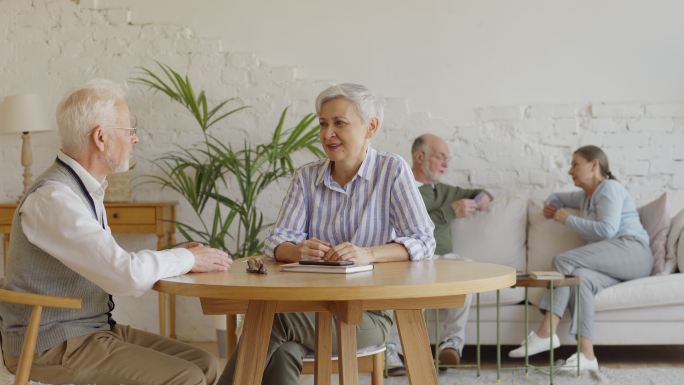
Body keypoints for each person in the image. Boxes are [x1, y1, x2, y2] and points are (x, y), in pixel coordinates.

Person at [0, 79, 233, 385]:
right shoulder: (55, 199)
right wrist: (185, 259)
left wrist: (180, 257)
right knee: (185, 377)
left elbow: (114, 264)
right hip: (52, 342)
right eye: (128, 130)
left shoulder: (86, 190)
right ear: (101, 138)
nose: (135, 139)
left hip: (90, 331)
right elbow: (127, 275)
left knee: (203, 363)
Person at [217, 83, 436, 385]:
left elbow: (424, 240)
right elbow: (276, 242)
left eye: (339, 123)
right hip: (307, 308)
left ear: (370, 127)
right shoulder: (306, 178)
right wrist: (297, 250)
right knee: (282, 352)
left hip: (366, 317)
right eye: (323, 123)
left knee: (270, 319)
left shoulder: (392, 171)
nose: (327, 133)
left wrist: (368, 254)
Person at [508, 145, 653, 371]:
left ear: (594, 165)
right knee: (579, 277)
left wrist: (565, 219)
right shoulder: (585, 196)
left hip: (632, 251)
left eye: (575, 164)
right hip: (616, 258)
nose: (570, 170)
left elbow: (607, 230)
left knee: (562, 261)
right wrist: (552, 206)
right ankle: (587, 355)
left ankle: (546, 331)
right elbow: (555, 196)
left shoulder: (609, 188)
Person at [385, 133, 492, 375]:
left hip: (445, 259)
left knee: (466, 271)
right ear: (419, 157)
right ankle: (390, 350)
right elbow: (408, 228)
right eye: (440, 157)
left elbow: (482, 192)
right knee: (410, 282)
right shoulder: (401, 187)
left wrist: (482, 199)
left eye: (447, 158)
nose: (446, 163)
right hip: (413, 256)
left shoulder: (443, 190)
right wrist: (449, 212)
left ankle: (450, 345)